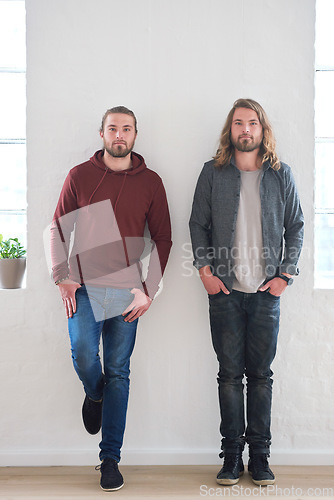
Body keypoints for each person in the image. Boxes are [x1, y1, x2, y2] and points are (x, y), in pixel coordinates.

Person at [50, 106, 172, 491]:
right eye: (113, 129)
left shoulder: (151, 182)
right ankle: (94, 392)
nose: (119, 135)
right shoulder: (80, 176)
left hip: (126, 292)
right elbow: (56, 229)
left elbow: (164, 238)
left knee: (119, 371)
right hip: (83, 287)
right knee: (86, 356)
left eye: (126, 129)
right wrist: (62, 277)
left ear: (136, 135)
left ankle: (110, 460)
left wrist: (148, 289)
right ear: (101, 133)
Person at [189, 98, 304, 486]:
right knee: (227, 376)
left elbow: (297, 226)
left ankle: (260, 456)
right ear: (230, 130)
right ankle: (232, 456)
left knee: (260, 376)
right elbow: (197, 225)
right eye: (238, 123)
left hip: (265, 293)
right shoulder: (213, 173)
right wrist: (204, 271)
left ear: (261, 129)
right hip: (224, 290)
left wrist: (285, 276)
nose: (245, 129)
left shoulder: (280, 175)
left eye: (251, 123)